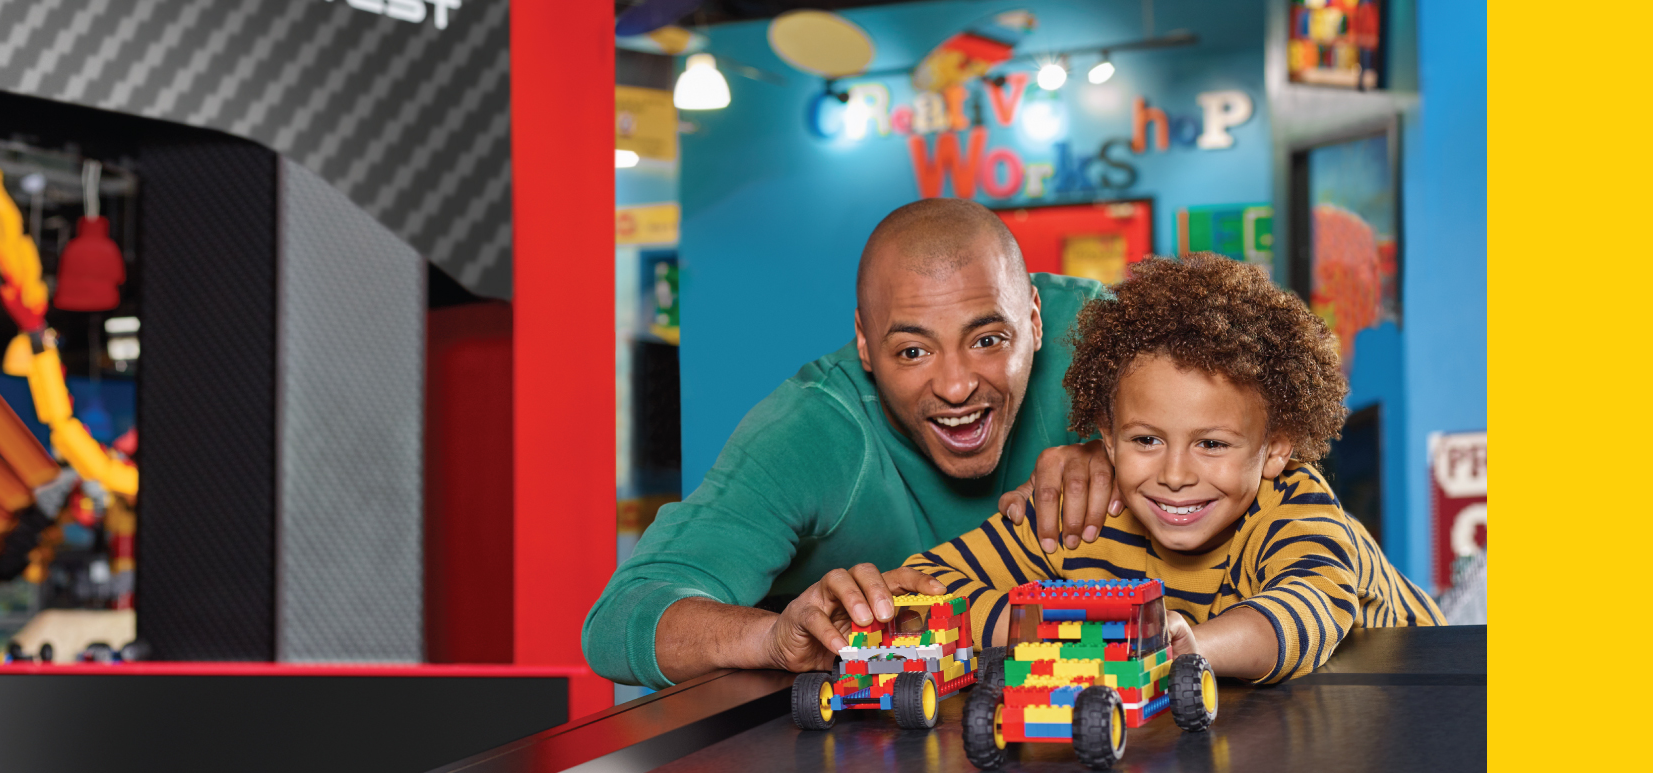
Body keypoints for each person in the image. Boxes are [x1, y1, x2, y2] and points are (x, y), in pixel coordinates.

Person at [581, 199, 1110, 689]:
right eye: (912, 351)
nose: (956, 386)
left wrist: (1127, 448)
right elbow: (620, 619)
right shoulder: (812, 430)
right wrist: (770, 637)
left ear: (1036, 320)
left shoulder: (1099, 337)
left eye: (987, 341)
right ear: (864, 343)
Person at [899, 252, 1442, 683]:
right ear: (1107, 440)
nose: (1175, 474)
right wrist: (1066, 626)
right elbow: (924, 591)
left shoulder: (1295, 510)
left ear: (1276, 448)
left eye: (1211, 444)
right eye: (1146, 440)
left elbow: (1305, 610)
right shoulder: (1082, 513)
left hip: (1439, 679)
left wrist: (1187, 643)